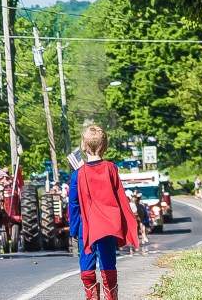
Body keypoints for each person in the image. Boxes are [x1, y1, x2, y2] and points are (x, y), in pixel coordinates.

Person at [69, 124, 139, 300]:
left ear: (83, 147)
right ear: (105, 147)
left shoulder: (78, 174)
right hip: (107, 225)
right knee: (108, 262)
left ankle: (92, 297)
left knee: (86, 263)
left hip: (86, 226)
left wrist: (74, 229)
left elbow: (74, 204)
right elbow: (118, 196)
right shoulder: (111, 168)